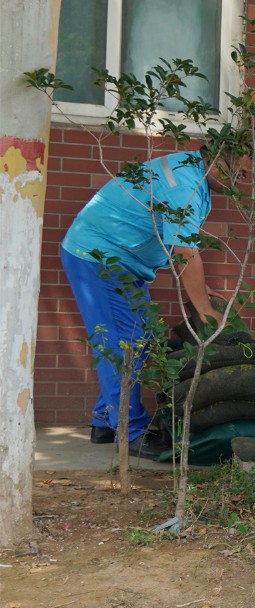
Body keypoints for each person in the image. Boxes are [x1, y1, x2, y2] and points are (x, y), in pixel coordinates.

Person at [62, 149, 217, 457]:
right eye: (242, 162)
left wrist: (201, 287)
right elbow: (184, 251)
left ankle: (105, 421)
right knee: (123, 344)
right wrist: (204, 309)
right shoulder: (183, 183)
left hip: (121, 262)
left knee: (141, 337)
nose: (246, 173)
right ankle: (131, 432)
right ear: (217, 155)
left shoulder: (195, 174)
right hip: (98, 257)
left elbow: (178, 242)